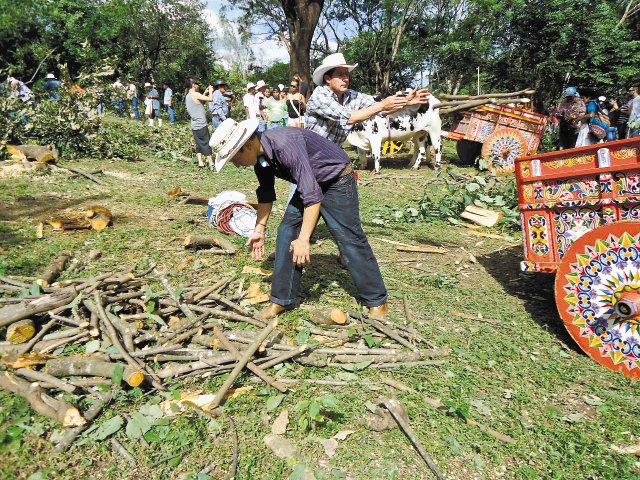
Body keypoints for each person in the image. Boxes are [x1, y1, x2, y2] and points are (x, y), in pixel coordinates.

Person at [209, 119, 389, 321]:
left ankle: (377, 300)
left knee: (349, 237)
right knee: (287, 231)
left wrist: (304, 240)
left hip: (336, 180)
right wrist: (259, 229)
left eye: (234, 158)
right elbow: (266, 193)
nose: (237, 164)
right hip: (310, 183)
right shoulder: (261, 157)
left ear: (247, 146)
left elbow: (312, 197)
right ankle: (281, 299)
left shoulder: (285, 145)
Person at [305, 52, 429, 146]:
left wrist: (406, 102)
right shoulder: (319, 96)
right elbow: (348, 117)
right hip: (310, 154)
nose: (346, 78)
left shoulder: (352, 96)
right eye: (340, 74)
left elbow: (380, 108)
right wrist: (382, 105)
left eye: (347, 74)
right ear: (328, 79)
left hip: (331, 154)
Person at [185, 79, 215, 169]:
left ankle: (200, 162)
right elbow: (211, 99)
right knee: (206, 142)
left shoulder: (188, 95)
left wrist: (204, 93)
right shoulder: (195, 94)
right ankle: (211, 163)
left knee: (198, 144)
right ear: (193, 85)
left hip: (194, 124)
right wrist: (210, 91)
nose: (199, 86)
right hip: (201, 123)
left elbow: (198, 102)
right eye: (197, 84)